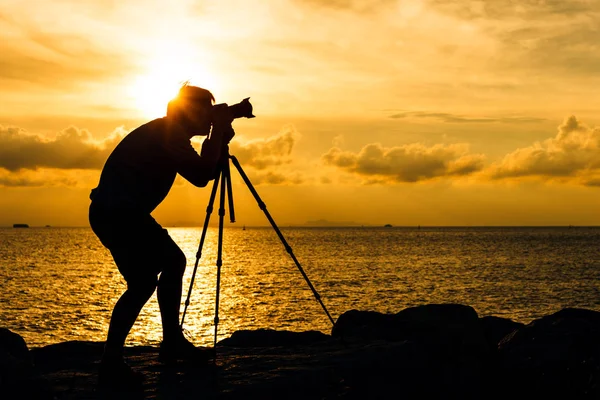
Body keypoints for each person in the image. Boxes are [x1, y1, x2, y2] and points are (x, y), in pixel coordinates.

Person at [89, 83, 234, 387]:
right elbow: (200, 176)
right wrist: (217, 133)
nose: (209, 118)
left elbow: (202, 169)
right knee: (150, 277)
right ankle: (121, 357)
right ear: (190, 112)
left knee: (162, 269)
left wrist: (218, 134)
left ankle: (162, 345)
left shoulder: (169, 132)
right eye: (205, 112)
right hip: (119, 213)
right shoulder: (169, 134)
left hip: (120, 212)